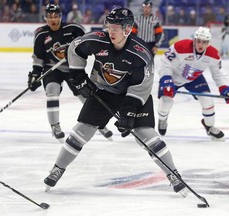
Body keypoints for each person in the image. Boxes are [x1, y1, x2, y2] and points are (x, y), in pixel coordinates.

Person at [43, 7, 187, 198]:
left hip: (134, 96)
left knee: (148, 136)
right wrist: (78, 75)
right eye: (109, 26)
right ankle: (57, 169)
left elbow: (141, 87)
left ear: (127, 29)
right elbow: (74, 48)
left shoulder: (140, 54)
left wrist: (128, 113)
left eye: (116, 28)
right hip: (103, 91)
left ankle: (173, 174)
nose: (111, 31)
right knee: (81, 131)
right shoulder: (97, 40)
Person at [27, 3, 113, 142]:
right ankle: (55, 126)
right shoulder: (41, 34)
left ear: (60, 17)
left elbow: (87, 42)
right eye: (49, 16)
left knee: (86, 95)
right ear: (45, 18)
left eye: (55, 16)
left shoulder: (73, 28)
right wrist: (35, 74)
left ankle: (99, 124)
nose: (52, 19)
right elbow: (38, 57)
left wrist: (74, 51)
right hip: (52, 68)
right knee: (52, 89)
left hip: (73, 68)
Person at [157, 26, 229, 140]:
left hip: (194, 78)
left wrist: (225, 88)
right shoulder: (180, 47)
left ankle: (209, 127)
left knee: (208, 101)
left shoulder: (213, 54)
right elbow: (165, 63)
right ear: (194, 40)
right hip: (173, 78)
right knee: (166, 101)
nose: (201, 45)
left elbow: (218, 74)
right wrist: (166, 79)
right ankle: (162, 119)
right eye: (198, 41)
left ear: (208, 43)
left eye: (204, 42)